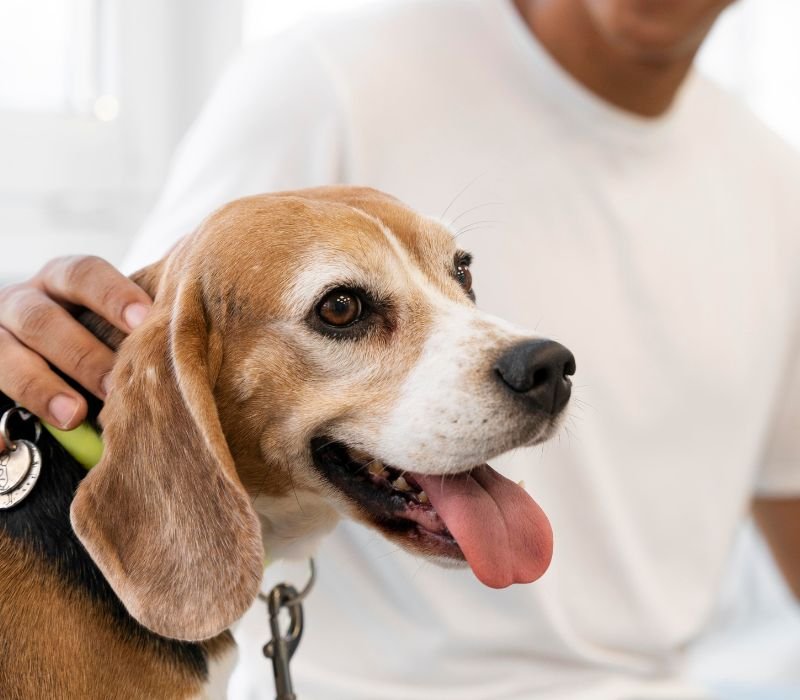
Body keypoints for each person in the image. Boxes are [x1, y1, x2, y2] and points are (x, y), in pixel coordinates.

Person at [1, 0, 799, 697]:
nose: (528, 359)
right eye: (344, 310)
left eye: (461, 274)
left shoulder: (774, 182)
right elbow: (124, 345)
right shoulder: (322, 79)